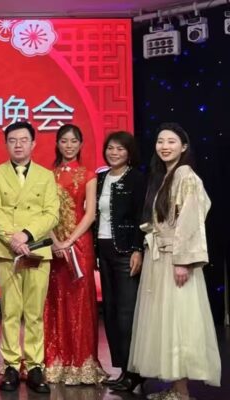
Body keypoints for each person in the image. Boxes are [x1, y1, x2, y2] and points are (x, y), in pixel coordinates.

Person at [128, 123, 220, 399]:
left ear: (184, 146)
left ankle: (182, 392)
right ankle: (175, 388)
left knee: (179, 322)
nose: (165, 146)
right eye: (160, 141)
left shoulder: (185, 174)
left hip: (174, 258)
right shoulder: (165, 176)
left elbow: (190, 220)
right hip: (159, 258)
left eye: (171, 141)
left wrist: (183, 261)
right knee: (165, 323)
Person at [0, 121, 58, 394]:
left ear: (33, 143)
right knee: (10, 311)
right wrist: (13, 239)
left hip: (37, 249)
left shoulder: (45, 176)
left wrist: (27, 235)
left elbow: (51, 213)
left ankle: (36, 366)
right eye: (13, 140)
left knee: (34, 312)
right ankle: (11, 366)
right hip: (7, 251)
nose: (18, 145)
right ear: (6, 144)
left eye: (23, 140)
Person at [43, 124, 107, 385]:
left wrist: (69, 241)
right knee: (55, 299)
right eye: (64, 141)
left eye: (73, 141)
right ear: (57, 144)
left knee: (80, 301)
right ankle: (57, 360)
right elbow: (44, 213)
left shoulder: (88, 175)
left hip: (80, 245)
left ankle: (82, 362)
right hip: (54, 245)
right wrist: (55, 241)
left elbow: (90, 214)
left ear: (80, 145)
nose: (68, 146)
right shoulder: (48, 176)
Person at [93, 131, 147, 392]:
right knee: (111, 312)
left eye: (120, 149)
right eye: (110, 148)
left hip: (126, 252)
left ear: (129, 153)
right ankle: (122, 369)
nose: (114, 153)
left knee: (127, 314)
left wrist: (137, 249)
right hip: (103, 251)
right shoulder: (101, 178)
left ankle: (134, 372)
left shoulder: (137, 178)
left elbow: (141, 216)